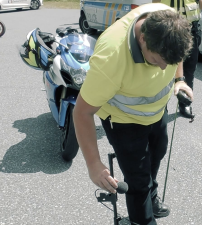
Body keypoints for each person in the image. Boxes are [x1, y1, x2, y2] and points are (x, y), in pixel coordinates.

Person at [73, 3, 193, 225]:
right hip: (123, 122)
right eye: (157, 61)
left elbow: (175, 58)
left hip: (157, 114)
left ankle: (152, 198)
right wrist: (93, 164)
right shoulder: (111, 56)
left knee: (156, 156)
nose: (162, 69)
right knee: (137, 182)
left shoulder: (170, 21)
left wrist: (180, 79)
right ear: (143, 39)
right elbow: (81, 112)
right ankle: (142, 220)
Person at [159, 0, 202, 118]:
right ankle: (161, 107)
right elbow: (155, 5)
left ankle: (185, 103)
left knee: (189, 70)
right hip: (168, 31)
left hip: (191, 31)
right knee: (163, 69)